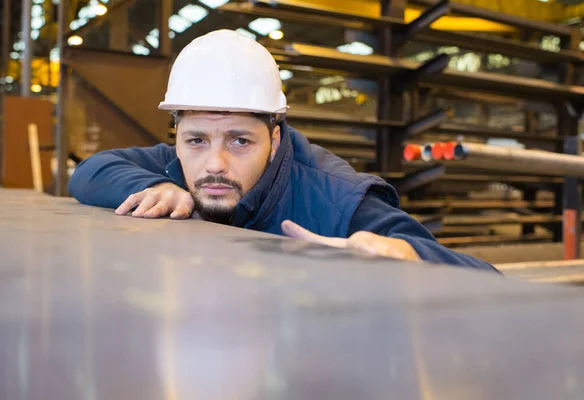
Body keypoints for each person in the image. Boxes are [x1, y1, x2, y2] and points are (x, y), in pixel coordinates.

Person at [68, 29, 497, 272]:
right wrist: (160, 186)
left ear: (274, 140)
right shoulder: (176, 165)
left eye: (240, 141)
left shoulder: (342, 200)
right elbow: (90, 170)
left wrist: (411, 255)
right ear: (178, 135)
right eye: (196, 140)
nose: (213, 164)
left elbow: (487, 278)